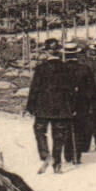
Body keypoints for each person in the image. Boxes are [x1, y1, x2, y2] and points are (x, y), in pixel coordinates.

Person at [26, 38, 78, 173]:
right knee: (59, 134)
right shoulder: (67, 68)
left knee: (40, 130)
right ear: (59, 52)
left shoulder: (41, 69)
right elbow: (71, 90)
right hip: (62, 107)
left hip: (43, 107)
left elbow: (35, 89)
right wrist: (73, 107)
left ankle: (45, 155)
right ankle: (57, 161)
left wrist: (30, 106)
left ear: (46, 52)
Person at [66, 42, 96, 157]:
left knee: (67, 126)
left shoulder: (61, 67)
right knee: (81, 125)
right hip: (82, 101)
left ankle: (68, 152)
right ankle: (80, 149)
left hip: (66, 101)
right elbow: (91, 87)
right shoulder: (85, 68)